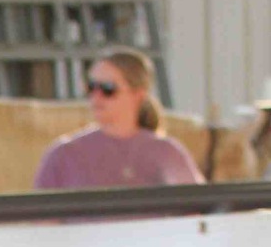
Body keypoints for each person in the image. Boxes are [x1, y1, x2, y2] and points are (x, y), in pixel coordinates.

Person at [35, 47, 202, 190]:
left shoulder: (167, 152)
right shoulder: (63, 154)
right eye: (91, 87)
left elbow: (196, 214)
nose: (96, 96)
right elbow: (42, 223)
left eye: (108, 89)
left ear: (138, 94)